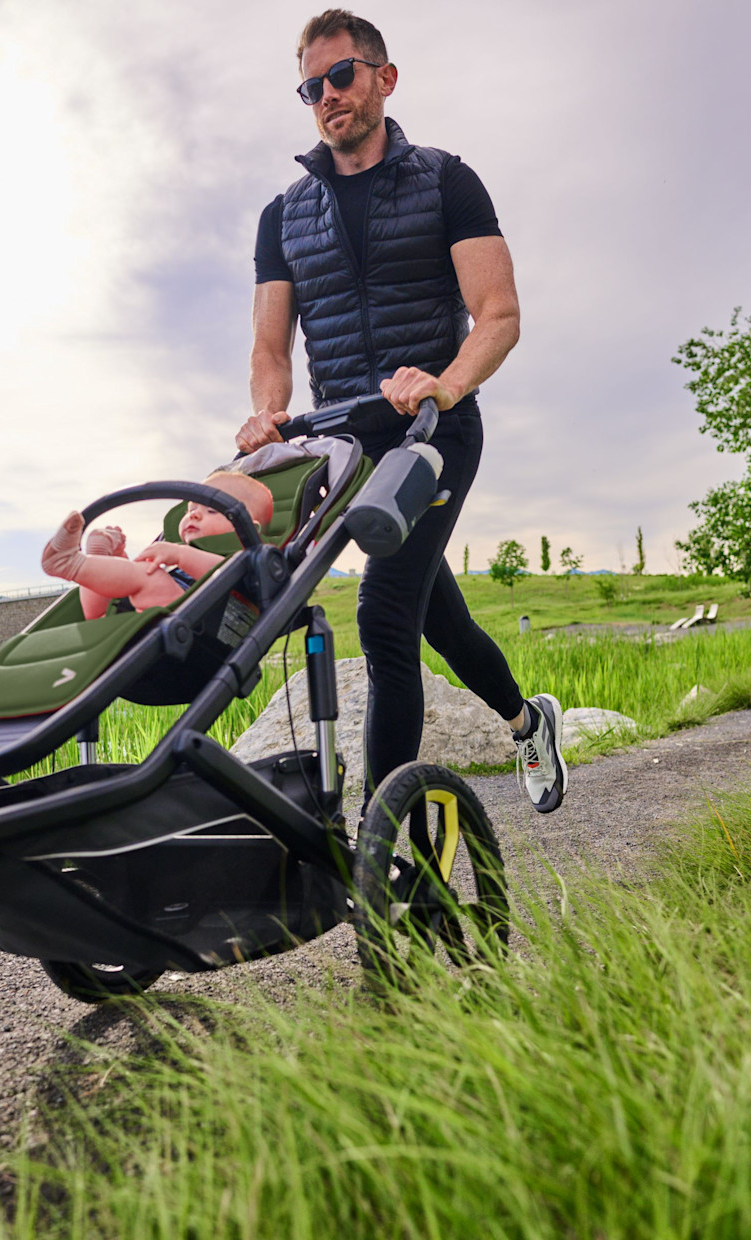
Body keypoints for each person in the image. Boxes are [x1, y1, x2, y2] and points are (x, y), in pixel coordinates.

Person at [236, 9, 566, 813]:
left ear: (384, 76)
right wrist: (268, 415)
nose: (326, 96)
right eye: (310, 86)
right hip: (349, 448)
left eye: (340, 76)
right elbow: (272, 351)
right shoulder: (284, 215)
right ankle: (529, 720)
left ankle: (384, 853)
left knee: (384, 615)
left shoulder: (446, 179)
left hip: (434, 431)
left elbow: (499, 315)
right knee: (434, 620)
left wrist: (445, 384)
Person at [42, 471, 274, 619]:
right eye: (191, 509)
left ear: (248, 528)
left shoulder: (246, 559)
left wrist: (180, 555)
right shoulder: (180, 553)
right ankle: (99, 558)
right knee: (135, 579)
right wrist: (120, 557)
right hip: (139, 616)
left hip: (196, 626)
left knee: (150, 576)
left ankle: (70, 564)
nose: (194, 515)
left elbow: (230, 575)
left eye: (211, 510)